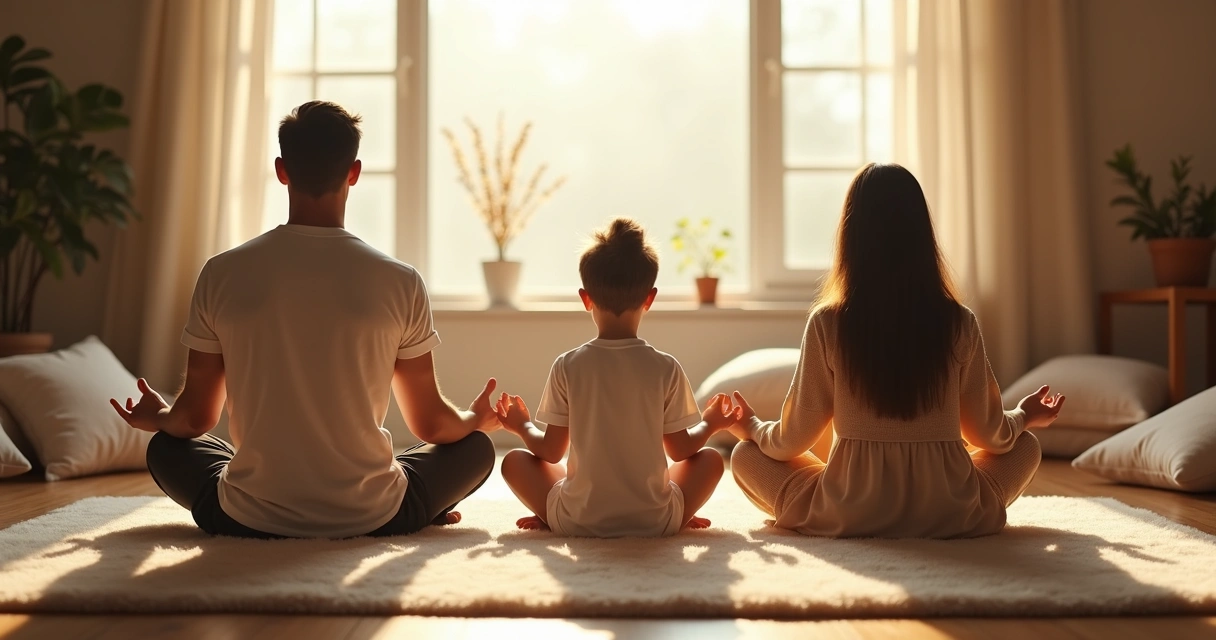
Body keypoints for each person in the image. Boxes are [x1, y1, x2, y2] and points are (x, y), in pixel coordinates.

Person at [109, 101, 499, 539]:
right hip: (376, 514)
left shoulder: (221, 272)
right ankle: (417, 508)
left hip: (245, 517)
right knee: (477, 450)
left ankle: (258, 501)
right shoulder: (401, 280)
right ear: (354, 172)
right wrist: (473, 420)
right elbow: (430, 425)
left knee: (167, 447)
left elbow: (195, 419)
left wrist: (159, 416)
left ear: (282, 170)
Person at [728, 163, 1064, 538]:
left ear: (851, 237)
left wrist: (752, 428)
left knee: (745, 456)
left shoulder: (828, 323)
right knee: (1026, 447)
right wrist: (1024, 416)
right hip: (951, 510)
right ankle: (946, 511)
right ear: (923, 236)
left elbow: (791, 441)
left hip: (849, 511)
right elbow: (990, 435)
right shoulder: (958, 322)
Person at [493, 218, 735, 537]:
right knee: (712, 461)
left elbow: (550, 452)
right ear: (650, 298)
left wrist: (521, 425)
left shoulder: (567, 365)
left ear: (585, 298)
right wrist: (712, 423)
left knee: (513, 462)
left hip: (577, 520)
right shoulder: (665, 367)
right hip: (655, 521)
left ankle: (553, 516)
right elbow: (681, 451)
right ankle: (678, 516)